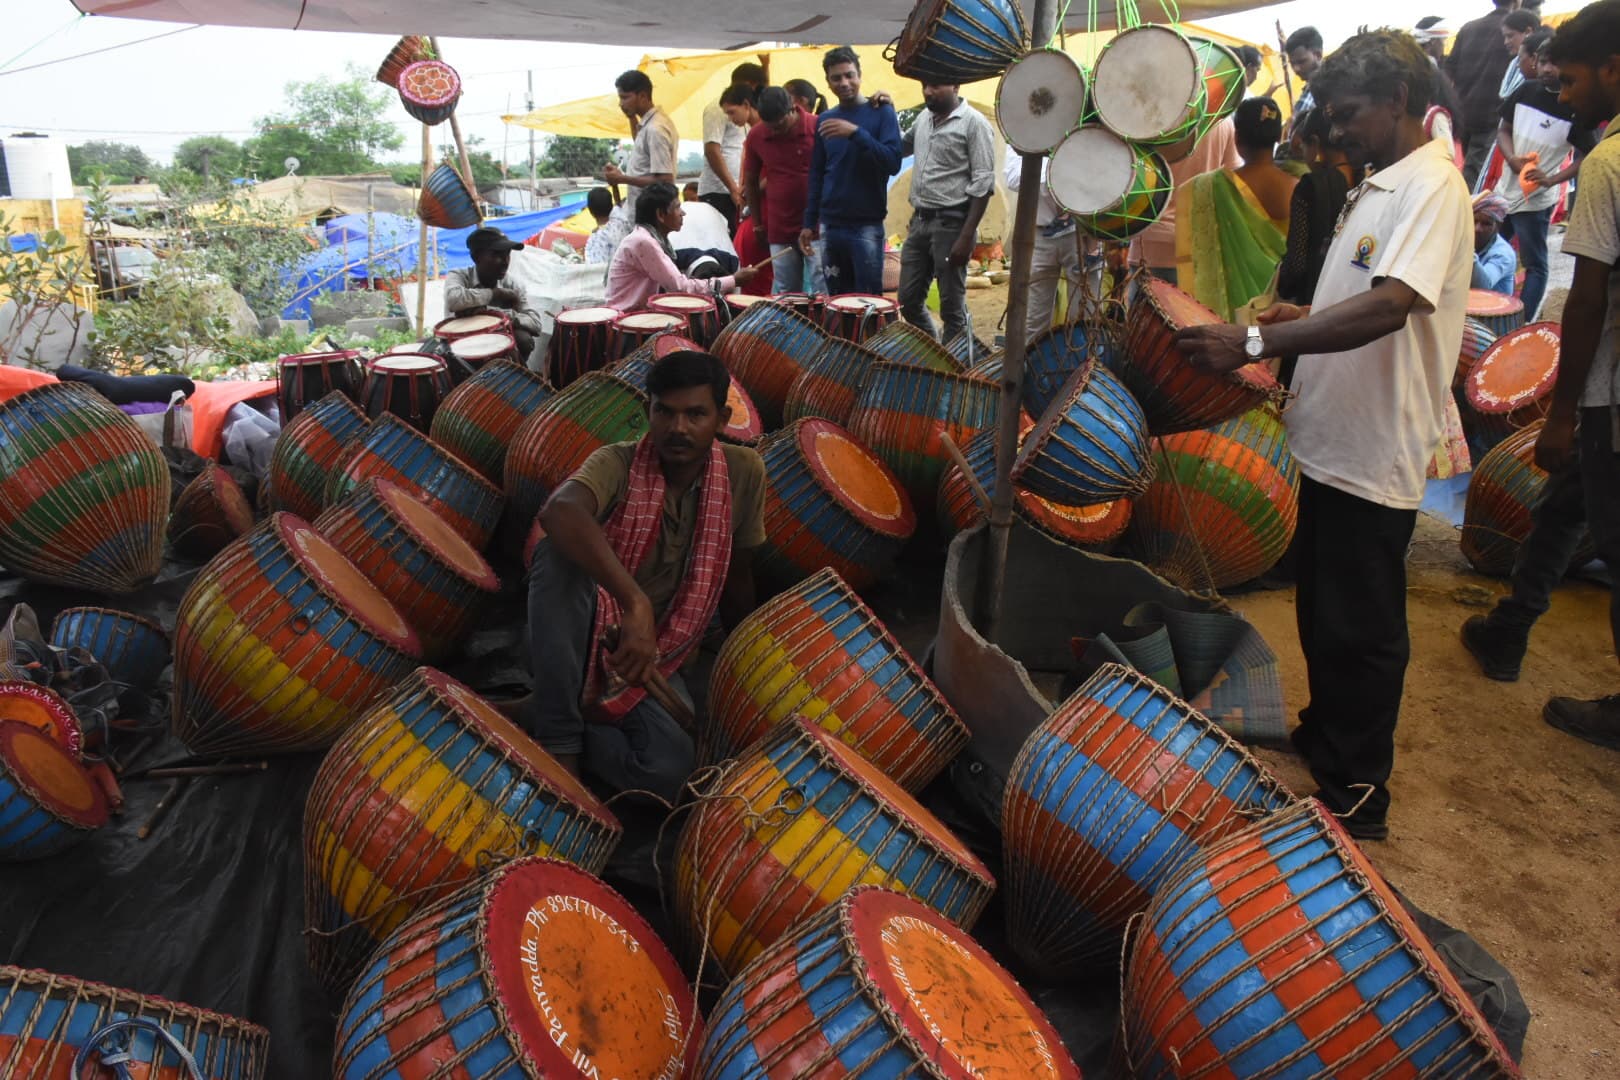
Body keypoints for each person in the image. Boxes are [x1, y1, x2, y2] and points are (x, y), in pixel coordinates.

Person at [1174, 29, 1473, 839]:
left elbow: (1390, 306)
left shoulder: (1431, 186)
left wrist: (1258, 343)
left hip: (1377, 443)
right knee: (1325, 606)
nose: (1335, 130)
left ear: (1397, 102)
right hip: (1334, 436)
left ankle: (1359, 790)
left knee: (1363, 622)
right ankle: (1327, 732)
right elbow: (1363, 292)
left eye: (1348, 115)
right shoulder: (1379, 181)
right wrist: (1302, 316)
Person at [1461, 0, 1620, 750]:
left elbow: (1587, 296)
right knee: (1566, 510)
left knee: (1609, 537)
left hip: (1612, 392)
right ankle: (1509, 630)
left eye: (1574, 79)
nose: (1562, 96)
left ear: (1614, 69)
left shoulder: (1611, 161)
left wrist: (1562, 413)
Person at [527, 349, 766, 800]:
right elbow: (559, 511)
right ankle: (560, 743)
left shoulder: (743, 471)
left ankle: (545, 713)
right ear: (647, 413)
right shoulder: (616, 462)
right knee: (556, 558)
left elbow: (739, 575)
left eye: (696, 414)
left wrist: (743, 671)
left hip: (662, 653)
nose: (678, 428)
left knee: (669, 775)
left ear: (722, 418)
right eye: (665, 412)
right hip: (581, 638)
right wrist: (634, 604)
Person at [1494, 29, 1595, 320]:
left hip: (1536, 198)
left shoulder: (1573, 106)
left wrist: (1552, 180)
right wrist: (1512, 157)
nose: (1549, 69)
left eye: (1556, 64)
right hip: (1505, 190)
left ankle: (1519, 321)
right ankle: (1492, 309)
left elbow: (1589, 153)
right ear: (1535, 61)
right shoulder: (1526, 90)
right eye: (1544, 62)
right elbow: (1503, 130)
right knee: (1495, 251)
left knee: (1534, 263)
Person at [1176, 97, 1298, 321]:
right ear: (1279, 137)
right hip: (1280, 313)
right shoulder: (1297, 188)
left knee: (1243, 351)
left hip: (1228, 320)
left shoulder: (1207, 188)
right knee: (1265, 352)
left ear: (1237, 137)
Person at [800, 47, 903, 296]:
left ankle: (870, 337)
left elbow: (892, 162)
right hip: (830, 225)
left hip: (866, 223)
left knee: (868, 302)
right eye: (836, 78)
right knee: (837, 301)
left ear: (859, 75)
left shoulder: (882, 112)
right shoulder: (825, 119)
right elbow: (817, 174)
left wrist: (856, 134)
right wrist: (808, 222)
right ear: (828, 82)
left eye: (849, 75)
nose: (844, 83)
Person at [898, 82, 995, 342]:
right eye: (923, 86)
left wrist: (966, 236)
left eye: (936, 85)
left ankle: (956, 371)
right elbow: (899, 147)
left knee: (952, 308)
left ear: (955, 85)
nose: (928, 91)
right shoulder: (923, 118)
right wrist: (882, 115)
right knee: (908, 301)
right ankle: (934, 354)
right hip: (919, 222)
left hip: (952, 225)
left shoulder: (974, 123)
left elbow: (984, 183)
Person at [605, 182, 755, 311]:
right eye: (677, 207)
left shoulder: (647, 237)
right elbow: (681, 288)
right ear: (661, 215)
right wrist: (734, 280)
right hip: (628, 319)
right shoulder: (643, 241)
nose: (683, 213)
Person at [1131, 115, 1240, 281]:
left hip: (1150, 241)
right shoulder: (1222, 121)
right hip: (1199, 246)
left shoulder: (1152, 110)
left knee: (1143, 306)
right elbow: (1233, 181)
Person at [1004, 153, 1099, 339]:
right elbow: (1014, 178)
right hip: (1038, 234)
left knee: (1085, 317)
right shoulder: (1020, 128)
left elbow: (1094, 172)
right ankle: (1033, 366)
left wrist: (1051, 172)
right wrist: (1060, 168)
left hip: (1082, 232)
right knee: (1033, 321)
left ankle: (1086, 366)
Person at [1277, 106, 1354, 314]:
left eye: (1303, 148)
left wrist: (1281, 282)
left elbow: (1296, 266)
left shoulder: (1310, 187)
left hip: (1314, 305)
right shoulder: (1366, 178)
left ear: (1316, 144)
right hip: (1356, 303)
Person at [743, 87, 817, 295]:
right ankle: (789, 329)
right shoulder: (757, 135)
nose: (775, 131)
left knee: (821, 290)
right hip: (779, 228)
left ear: (793, 109)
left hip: (817, 227)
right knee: (785, 291)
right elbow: (750, 181)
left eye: (780, 125)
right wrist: (757, 224)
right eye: (770, 126)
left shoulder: (815, 126)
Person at [598, 70, 678, 259]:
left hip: (650, 218)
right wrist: (631, 117)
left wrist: (622, 178)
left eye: (625, 97)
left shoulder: (655, 129)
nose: (621, 103)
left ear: (642, 95)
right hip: (644, 217)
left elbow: (665, 179)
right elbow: (643, 150)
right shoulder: (648, 125)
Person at [1447, 0, 1518, 187]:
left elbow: (1449, 69)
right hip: (1492, 116)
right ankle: (1466, 213)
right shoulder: (1514, 32)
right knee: (1478, 177)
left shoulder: (1468, 28)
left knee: (1472, 169)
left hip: (1464, 113)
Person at [445, 226, 542, 362]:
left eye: (507, 254)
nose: (505, 262)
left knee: (523, 339)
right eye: (497, 255)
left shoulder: (513, 284)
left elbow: (535, 323)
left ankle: (514, 376)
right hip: (462, 344)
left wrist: (496, 314)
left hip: (499, 346)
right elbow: (453, 299)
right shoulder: (459, 276)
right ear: (476, 258)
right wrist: (495, 294)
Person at [699, 63, 767, 234]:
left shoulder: (758, 125)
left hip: (744, 191)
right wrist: (734, 189)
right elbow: (711, 149)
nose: (730, 117)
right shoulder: (718, 108)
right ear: (750, 86)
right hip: (721, 191)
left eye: (731, 113)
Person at [1470, 191, 1518, 293]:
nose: (1477, 229)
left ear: (1498, 226)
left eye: (1486, 224)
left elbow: (1482, 286)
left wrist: (1468, 253)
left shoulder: (1503, 254)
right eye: (1474, 221)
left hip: (1490, 306)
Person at [1501, 8, 1543, 100]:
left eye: (1510, 36)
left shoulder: (1543, 63)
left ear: (1528, 32)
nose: (1506, 42)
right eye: (1505, 37)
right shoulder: (1513, 63)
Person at [583, 187, 618, 264]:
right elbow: (618, 206)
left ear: (590, 211)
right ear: (612, 206)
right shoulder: (621, 221)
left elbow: (595, 269)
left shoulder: (596, 239)